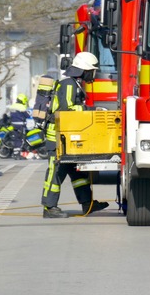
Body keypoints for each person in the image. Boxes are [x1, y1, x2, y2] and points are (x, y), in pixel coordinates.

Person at [41, 52, 109, 218]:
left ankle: (87, 204)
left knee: (78, 173)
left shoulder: (75, 84)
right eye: (91, 70)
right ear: (84, 69)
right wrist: (92, 111)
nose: (92, 74)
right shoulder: (69, 84)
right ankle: (49, 208)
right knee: (55, 172)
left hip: (67, 138)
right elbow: (67, 110)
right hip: (57, 139)